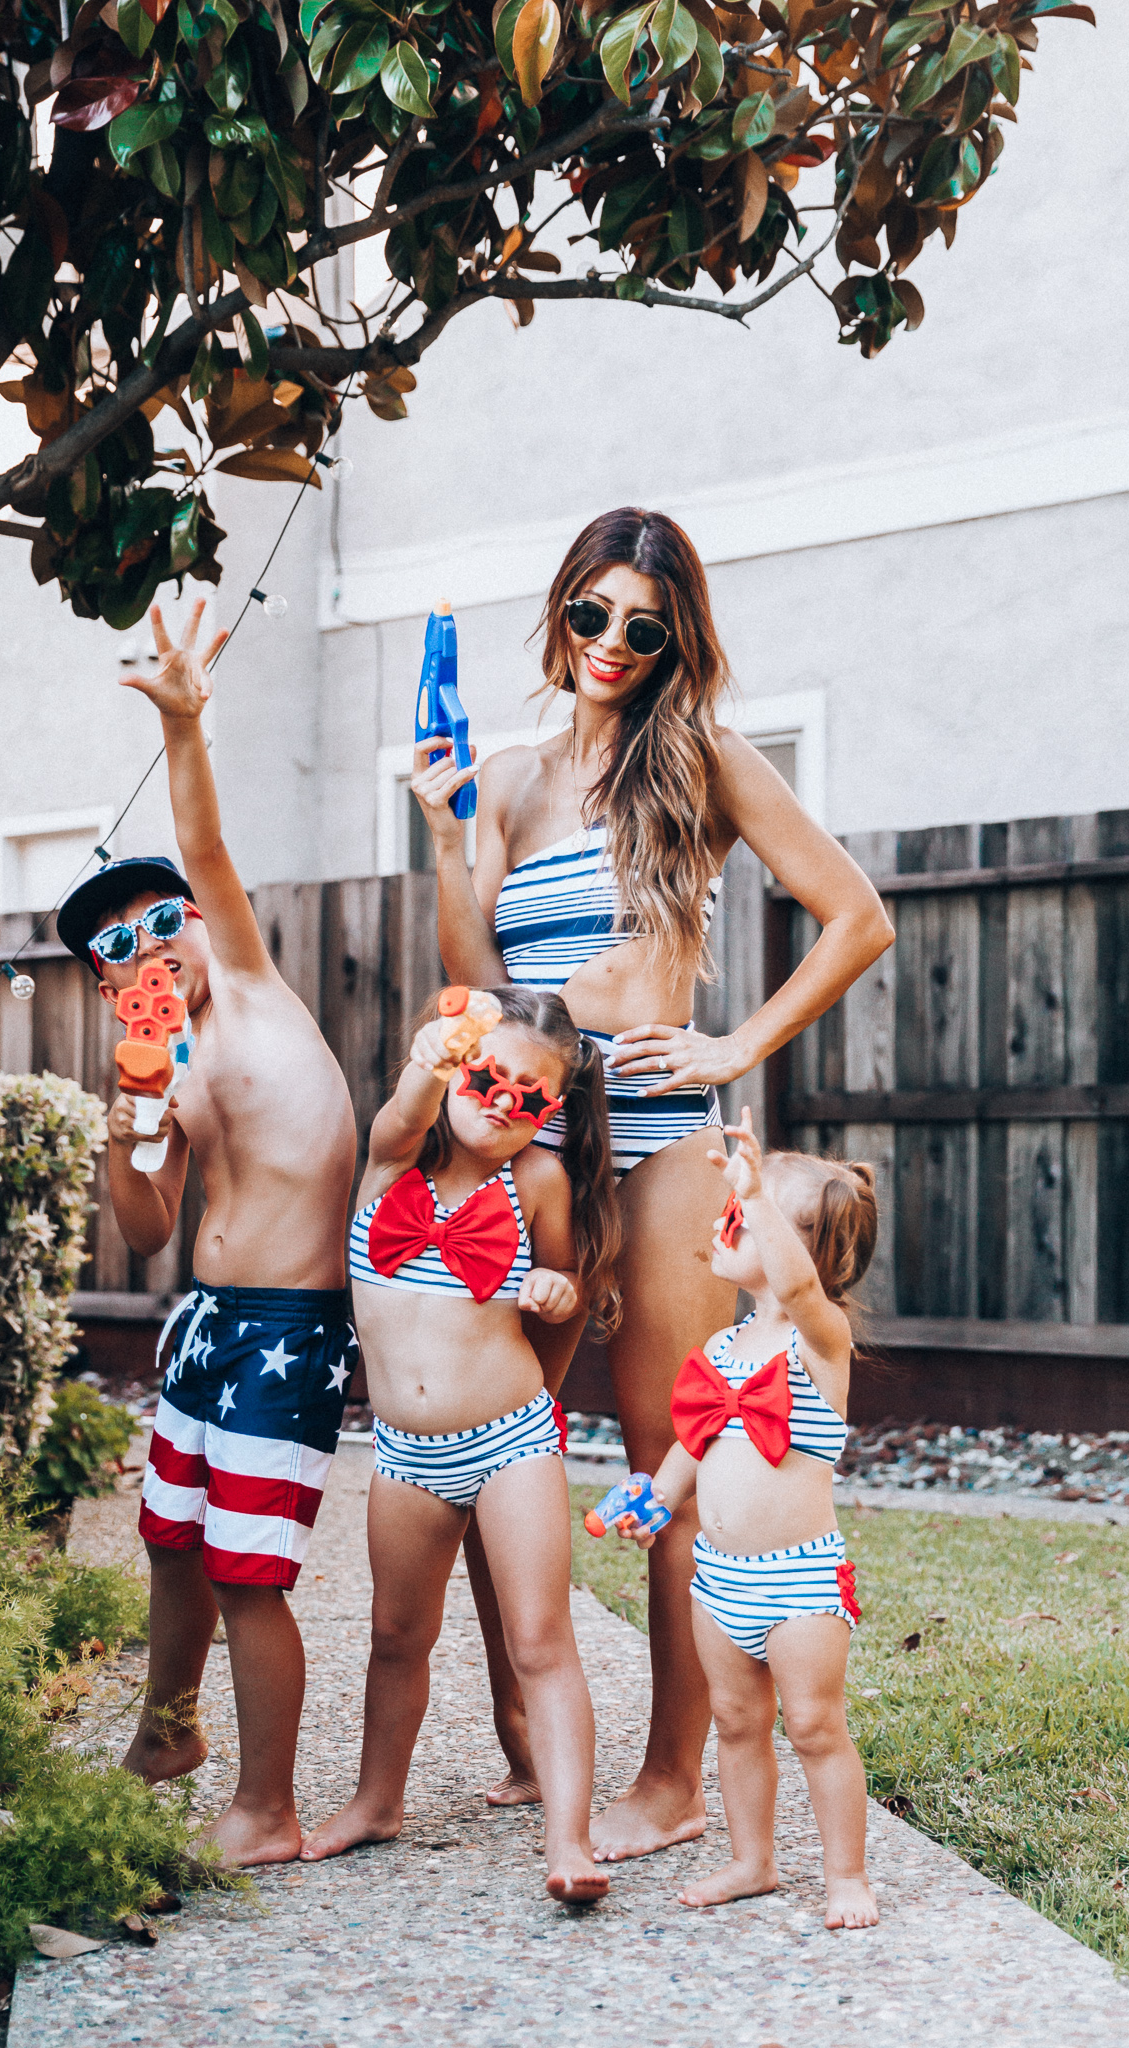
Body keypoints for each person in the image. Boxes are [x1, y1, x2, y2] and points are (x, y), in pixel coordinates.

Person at [411, 506, 894, 1860]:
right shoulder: (504, 777)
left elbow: (855, 916)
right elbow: (477, 987)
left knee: (663, 1458)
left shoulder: (702, 758)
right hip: (539, 1141)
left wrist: (738, 1040)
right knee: (488, 1435)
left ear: (673, 639)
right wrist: (450, 831)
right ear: (558, 611)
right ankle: (529, 1747)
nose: (613, 644)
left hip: (666, 1139)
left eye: (643, 624)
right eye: (591, 614)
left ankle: (673, 1777)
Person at [55, 599, 357, 1868]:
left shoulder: (251, 984)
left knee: (248, 1571)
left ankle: (268, 1805)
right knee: (170, 1541)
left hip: (287, 1329)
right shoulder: (160, 1067)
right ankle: (165, 1732)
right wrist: (130, 1123)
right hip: (205, 1325)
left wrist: (186, 723)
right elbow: (142, 1227)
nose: (148, 943)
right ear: (106, 979)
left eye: (157, 916)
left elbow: (206, 843)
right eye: (114, 946)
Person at [299, 986, 622, 1901]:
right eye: (487, 1077)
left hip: (511, 1439)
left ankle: (570, 1841)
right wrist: (435, 1058)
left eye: (531, 1097)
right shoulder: (391, 1158)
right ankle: (376, 1800)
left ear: (551, 1113)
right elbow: (406, 1108)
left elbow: (561, 1276)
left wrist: (558, 1291)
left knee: (541, 1641)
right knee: (396, 1636)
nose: (502, 1102)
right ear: (455, 1064)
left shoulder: (538, 1184)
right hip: (404, 1452)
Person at [613, 1109, 879, 1929]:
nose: (729, 1218)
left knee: (813, 1724)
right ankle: (752, 1860)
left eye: (747, 1215)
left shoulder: (818, 1344)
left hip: (798, 1579)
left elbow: (797, 1289)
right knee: (735, 1722)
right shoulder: (725, 1347)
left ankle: (846, 1876)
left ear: (809, 1254)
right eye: (731, 1208)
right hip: (719, 1578)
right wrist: (655, 1497)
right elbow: (695, 1439)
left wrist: (755, 1191)